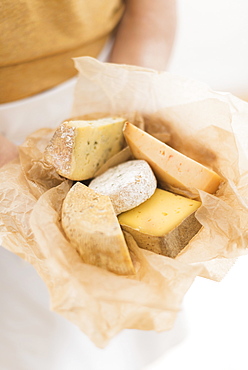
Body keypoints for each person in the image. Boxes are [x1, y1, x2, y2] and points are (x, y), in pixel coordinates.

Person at [0, 1, 183, 369]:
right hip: (10, 122)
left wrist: (123, 106)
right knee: (27, 321)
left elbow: (150, 8)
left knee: (112, 303)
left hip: (107, 81)